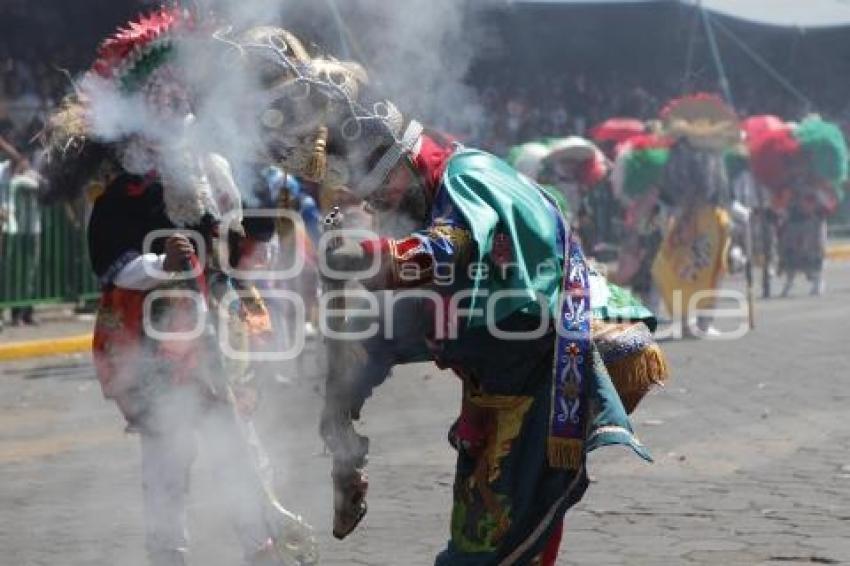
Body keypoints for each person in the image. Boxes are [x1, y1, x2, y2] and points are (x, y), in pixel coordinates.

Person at [237, 27, 668, 565]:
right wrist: (339, 419)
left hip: (555, 361)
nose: (383, 201)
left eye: (384, 187)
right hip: (498, 383)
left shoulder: (469, 175)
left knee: (487, 548)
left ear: (401, 156)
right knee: (498, 541)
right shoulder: (411, 202)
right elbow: (379, 332)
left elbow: (450, 248)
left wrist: (367, 260)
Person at [39, 10, 316, 566]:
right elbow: (111, 266)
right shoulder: (125, 193)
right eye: (166, 96)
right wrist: (160, 260)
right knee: (169, 450)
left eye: (185, 95)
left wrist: (256, 236)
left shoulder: (217, 176)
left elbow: (238, 244)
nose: (181, 106)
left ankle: (258, 541)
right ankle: (169, 551)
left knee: (237, 440)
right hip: (153, 340)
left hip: (216, 331)